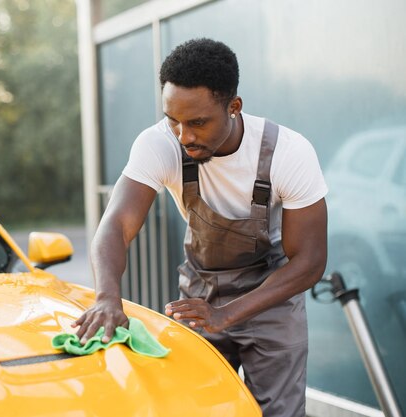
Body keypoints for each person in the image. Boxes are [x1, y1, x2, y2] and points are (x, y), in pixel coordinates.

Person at [72, 38, 328, 417]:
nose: (184, 136)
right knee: (195, 407)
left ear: (234, 107)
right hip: (199, 296)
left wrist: (228, 314)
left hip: (271, 297)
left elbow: (309, 261)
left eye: (197, 122)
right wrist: (107, 296)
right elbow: (115, 226)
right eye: (173, 119)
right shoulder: (160, 144)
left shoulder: (288, 152)